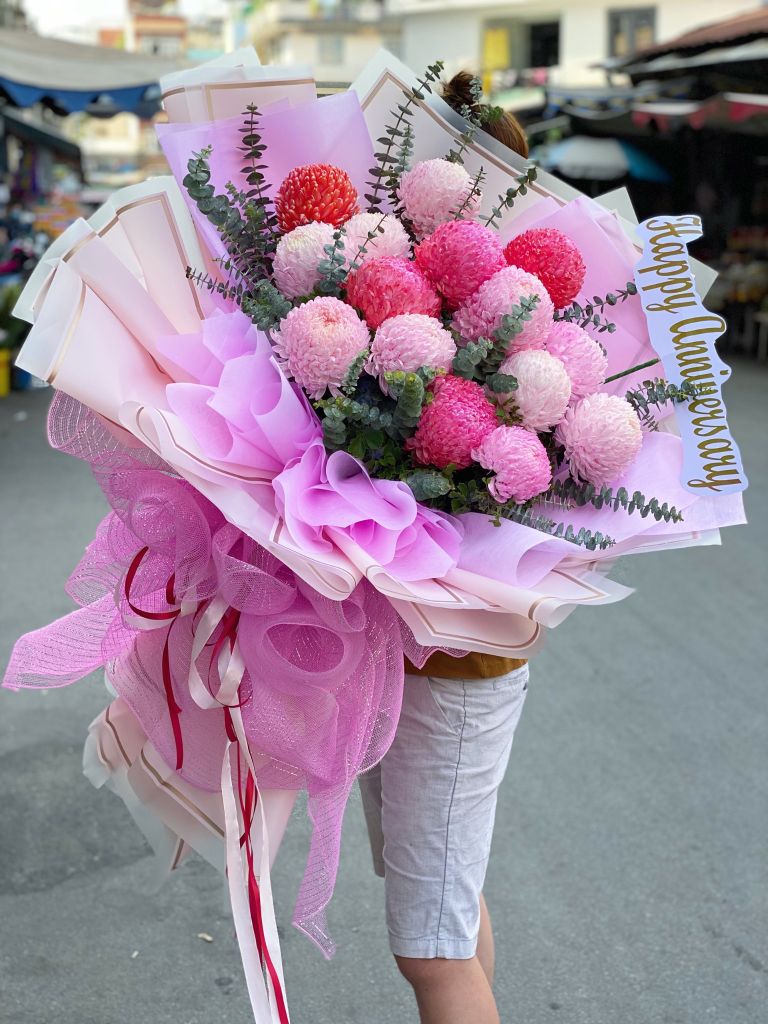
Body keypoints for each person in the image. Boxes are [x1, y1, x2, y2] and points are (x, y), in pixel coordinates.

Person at [358, 74, 532, 1024]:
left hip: (456, 662)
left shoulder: (520, 314)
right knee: (441, 916)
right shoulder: (382, 282)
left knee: (430, 949)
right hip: (399, 651)